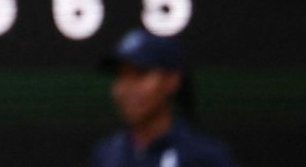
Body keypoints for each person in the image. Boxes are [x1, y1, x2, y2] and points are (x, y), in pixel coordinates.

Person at [90, 29, 236, 167]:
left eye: (140, 74)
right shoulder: (106, 156)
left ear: (172, 80)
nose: (128, 88)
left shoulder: (202, 157)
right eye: (121, 76)